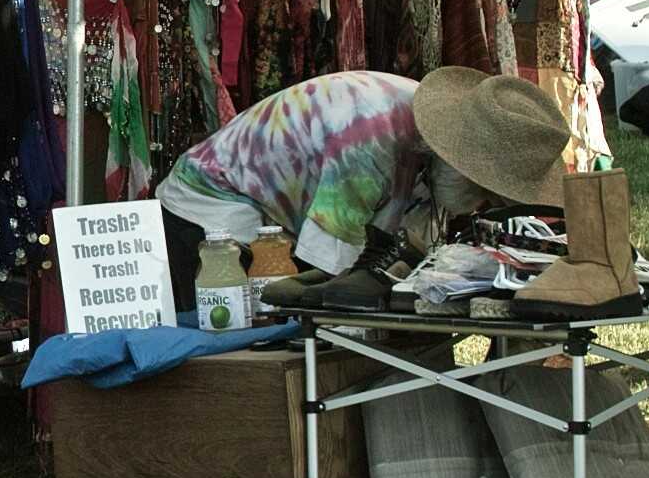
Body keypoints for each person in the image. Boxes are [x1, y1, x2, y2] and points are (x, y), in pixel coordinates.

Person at [153, 66, 571, 317]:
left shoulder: (422, 133)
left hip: (265, 218)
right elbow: (330, 268)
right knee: (247, 340)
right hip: (211, 210)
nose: (483, 204)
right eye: (487, 191)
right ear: (463, 164)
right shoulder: (370, 136)